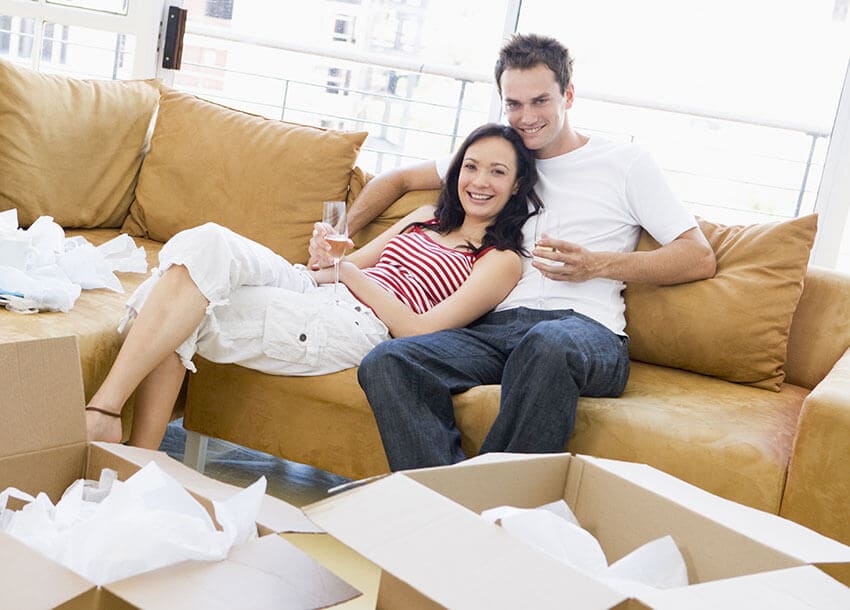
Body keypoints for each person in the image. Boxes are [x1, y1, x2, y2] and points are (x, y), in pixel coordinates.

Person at [329, 33, 717, 470]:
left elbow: (698, 255)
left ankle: (494, 504)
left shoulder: (624, 162)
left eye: (540, 101)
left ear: (568, 95)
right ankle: (441, 499)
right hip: (497, 330)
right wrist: (342, 234)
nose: (526, 117)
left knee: (546, 342)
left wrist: (597, 264)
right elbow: (396, 180)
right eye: (513, 104)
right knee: (389, 360)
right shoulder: (502, 160)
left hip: (585, 332)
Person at [85, 123, 543, 449]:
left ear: (518, 183)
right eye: (471, 166)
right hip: (317, 289)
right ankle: (119, 431)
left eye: (497, 172)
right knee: (205, 249)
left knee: (182, 295)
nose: (479, 181)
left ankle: (120, 435)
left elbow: (419, 331)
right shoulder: (426, 217)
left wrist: (348, 274)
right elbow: (346, 264)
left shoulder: (501, 261)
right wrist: (324, 258)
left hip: (361, 325)